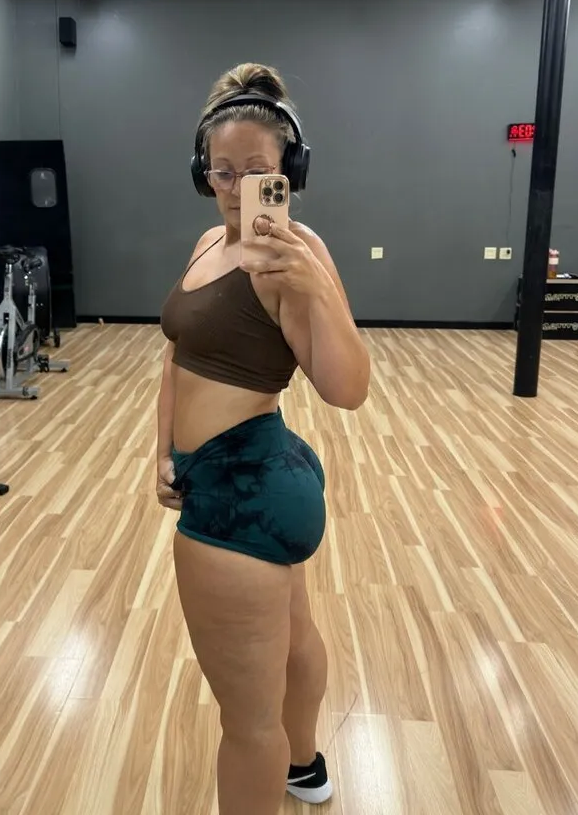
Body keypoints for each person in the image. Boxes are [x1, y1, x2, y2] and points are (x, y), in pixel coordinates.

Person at [157, 63, 370, 815]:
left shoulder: (295, 253)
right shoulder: (204, 244)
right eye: (221, 170)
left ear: (288, 172)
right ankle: (305, 769)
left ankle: (287, 765)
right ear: (202, 172)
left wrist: (316, 288)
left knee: (246, 725)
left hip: (240, 491)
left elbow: (347, 388)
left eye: (256, 171)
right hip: (240, 474)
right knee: (293, 632)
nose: (236, 185)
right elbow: (177, 353)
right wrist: (162, 449)